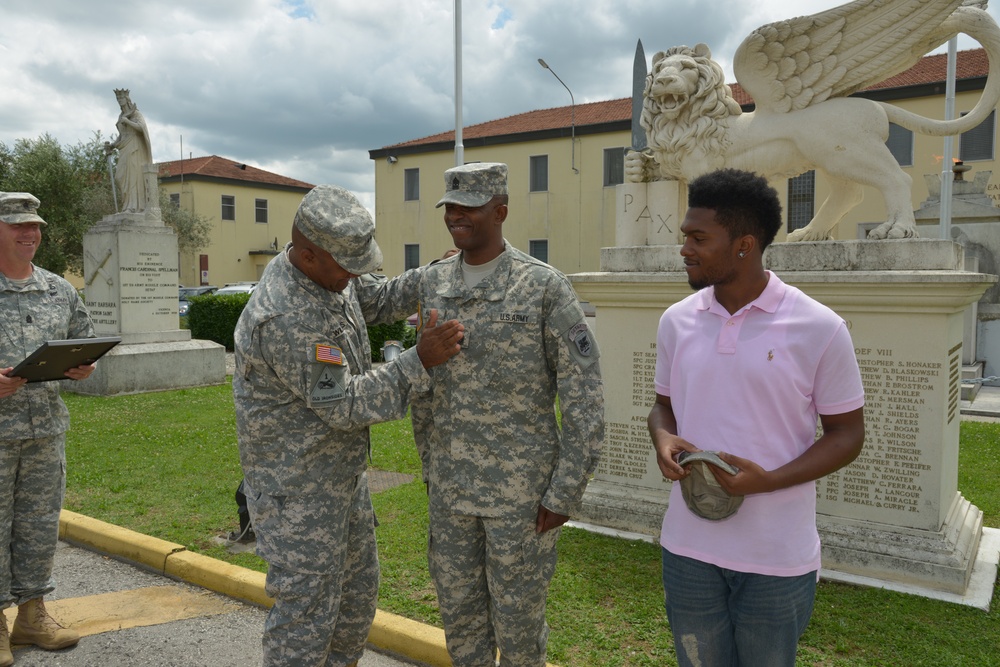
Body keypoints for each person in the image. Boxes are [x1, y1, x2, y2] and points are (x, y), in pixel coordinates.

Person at [232, 184, 463, 667]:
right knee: (306, 623)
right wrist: (418, 359)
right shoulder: (285, 315)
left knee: (355, 606)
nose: (356, 275)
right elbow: (346, 404)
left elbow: (375, 297)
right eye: (348, 266)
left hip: (340, 481)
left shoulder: (328, 274)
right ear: (308, 253)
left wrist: (438, 275)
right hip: (297, 494)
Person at [647, 168, 866, 667]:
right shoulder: (677, 320)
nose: (685, 249)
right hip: (687, 549)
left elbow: (848, 434)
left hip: (776, 558)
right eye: (685, 236)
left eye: (699, 238)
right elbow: (663, 405)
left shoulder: (819, 327)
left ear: (745, 244)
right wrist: (663, 438)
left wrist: (768, 481)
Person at [412, 162, 604, 666]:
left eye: (469, 207)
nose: (456, 216)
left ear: (500, 211)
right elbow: (425, 389)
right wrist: (431, 466)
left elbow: (584, 396)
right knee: (461, 626)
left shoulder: (543, 288)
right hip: (452, 494)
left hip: (521, 501)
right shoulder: (432, 285)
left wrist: (565, 492)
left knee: (519, 633)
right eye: (450, 207)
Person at [0, 192, 96, 666]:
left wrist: (83, 365)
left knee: (38, 526)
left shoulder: (59, 290)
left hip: (44, 431)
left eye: (34, 225)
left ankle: (32, 615)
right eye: (17, 225)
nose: (29, 233)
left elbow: (83, 340)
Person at [104, 88, 153, 213]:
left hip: (135, 147)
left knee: (133, 176)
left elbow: (141, 128)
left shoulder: (136, 113)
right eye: (118, 99)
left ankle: (133, 206)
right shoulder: (121, 115)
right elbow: (122, 135)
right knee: (120, 176)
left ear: (127, 99)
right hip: (124, 147)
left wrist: (128, 121)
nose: (120, 100)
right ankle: (126, 205)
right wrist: (113, 145)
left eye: (121, 98)